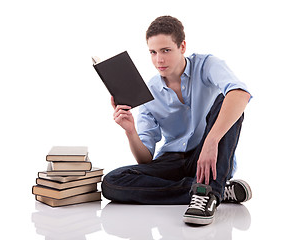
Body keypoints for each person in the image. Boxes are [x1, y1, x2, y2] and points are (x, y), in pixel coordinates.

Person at [101, 15, 252, 225]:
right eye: (153, 52)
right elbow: (145, 160)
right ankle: (211, 190)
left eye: (165, 50)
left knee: (228, 98)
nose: (159, 60)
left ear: (182, 46)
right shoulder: (149, 91)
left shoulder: (206, 65)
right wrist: (130, 131)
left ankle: (208, 191)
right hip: (171, 161)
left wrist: (210, 142)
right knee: (112, 183)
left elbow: (241, 94)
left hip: (208, 154)